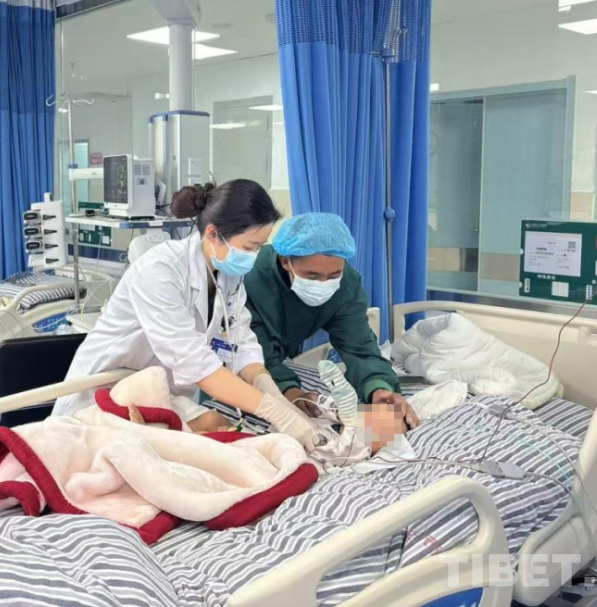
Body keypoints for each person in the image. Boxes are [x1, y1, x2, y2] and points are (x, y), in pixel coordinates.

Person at [52, 180, 321, 451]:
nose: (253, 256)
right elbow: (196, 363)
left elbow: (240, 341)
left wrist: (269, 388)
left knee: (219, 429)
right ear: (213, 233)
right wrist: (276, 413)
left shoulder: (228, 276)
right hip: (107, 395)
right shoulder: (159, 270)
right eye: (249, 247)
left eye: (260, 247)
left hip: (161, 397)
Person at [243, 212, 420, 429]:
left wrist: (378, 387)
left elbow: (360, 348)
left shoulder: (346, 285)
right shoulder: (250, 277)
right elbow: (252, 355)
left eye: (334, 275)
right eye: (312, 276)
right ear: (285, 261)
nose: (324, 284)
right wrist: (290, 391)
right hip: (232, 367)